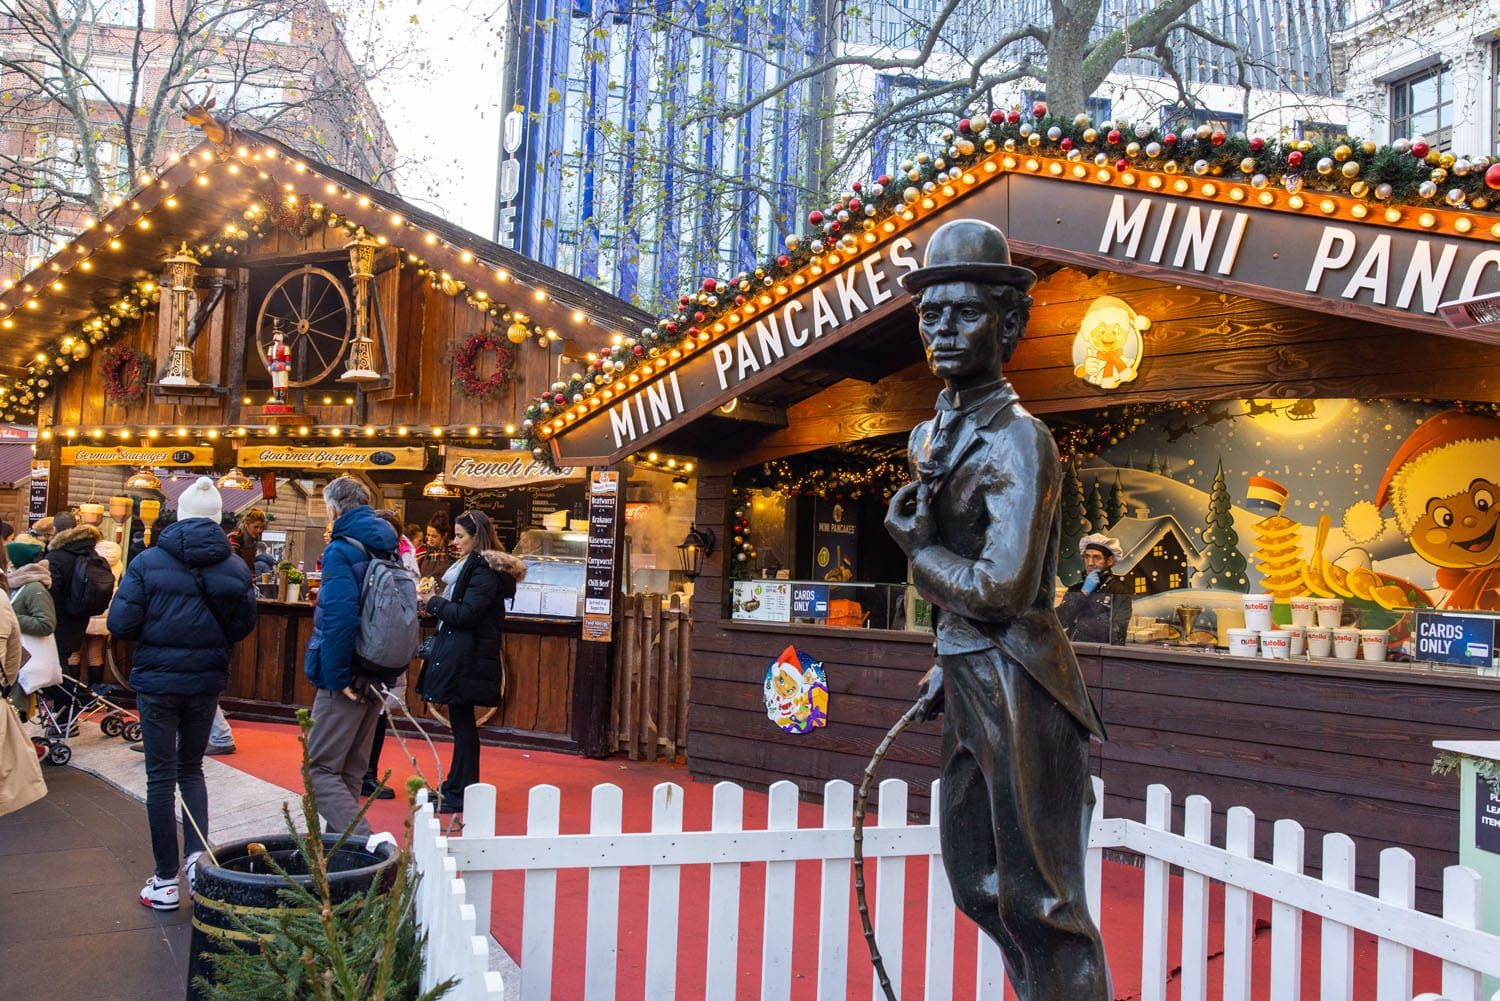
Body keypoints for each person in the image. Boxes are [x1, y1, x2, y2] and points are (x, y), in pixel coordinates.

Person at [884, 218, 1110, 999]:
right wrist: (942, 662)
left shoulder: (1021, 440)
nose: (942, 330)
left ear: (1010, 325)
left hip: (1023, 682)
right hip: (968, 673)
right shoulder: (927, 436)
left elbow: (1003, 589)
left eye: (966, 313)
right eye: (930, 314)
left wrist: (918, 552)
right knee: (978, 884)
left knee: (1041, 902)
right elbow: (961, 597)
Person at [107, 477, 257, 911]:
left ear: (180, 515)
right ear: (216, 520)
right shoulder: (234, 567)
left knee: (161, 776)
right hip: (205, 680)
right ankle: (197, 861)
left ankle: (164, 879)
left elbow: (121, 624)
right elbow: (243, 626)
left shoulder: (148, 561)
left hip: (156, 680)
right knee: (192, 769)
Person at [303, 476, 398, 839]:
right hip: (377, 667)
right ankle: (340, 863)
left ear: (332, 508)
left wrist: (337, 675)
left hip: (346, 672)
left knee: (318, 771)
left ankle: (369, 847)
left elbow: (339, 615)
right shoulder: (387, 545)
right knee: (349, 773)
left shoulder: (342, 548)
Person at [416, 509, 523, 814]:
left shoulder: (482, 571)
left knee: (464, 727)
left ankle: (461, 791)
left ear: (477, 538)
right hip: (465, 652)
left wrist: (433, 602)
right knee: (462, 725)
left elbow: (466, 615)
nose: (455, 542)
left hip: (468, 654)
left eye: (461, 536)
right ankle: (456, 787)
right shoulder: (475, 568)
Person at [360, 508, 421, 800]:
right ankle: (361, 773)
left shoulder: (403, 559)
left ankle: (367, 773)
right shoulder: (363, 556)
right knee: (364, 710)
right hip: (369, 644)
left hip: (386, 643)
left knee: (379, 709)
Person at [41, 519, 104, 728]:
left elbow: (50, 591)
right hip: (77, 620)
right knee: (61, 665)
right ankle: (69, 711)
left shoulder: (57, 556)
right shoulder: (91, 555)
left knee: (55, 670)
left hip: (55, 621)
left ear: (56, 532)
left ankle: (75, 705)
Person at [1056, 534, 1133, 645]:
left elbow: (1117, 634)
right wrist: (1083, 593)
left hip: (1102, 656)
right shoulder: (1076, 589)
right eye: (1087, 557)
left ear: (1110, 561)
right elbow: (1060, 621)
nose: (1090, 563)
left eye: (1096, 557)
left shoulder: (1119, 591)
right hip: (1074, 652)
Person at [226, 508, 267, 572]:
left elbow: (250, 567)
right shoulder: (235, 538)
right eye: (255, 527)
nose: (259, 530)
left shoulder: (253, 541)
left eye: (261, 527)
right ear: (246, 524)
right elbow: (232, 565)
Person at [417, 514, 454, 581]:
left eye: (434, 536)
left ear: (444, 535)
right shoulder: (422, 551)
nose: (430, 539)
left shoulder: (453, 551)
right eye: (428, 535)